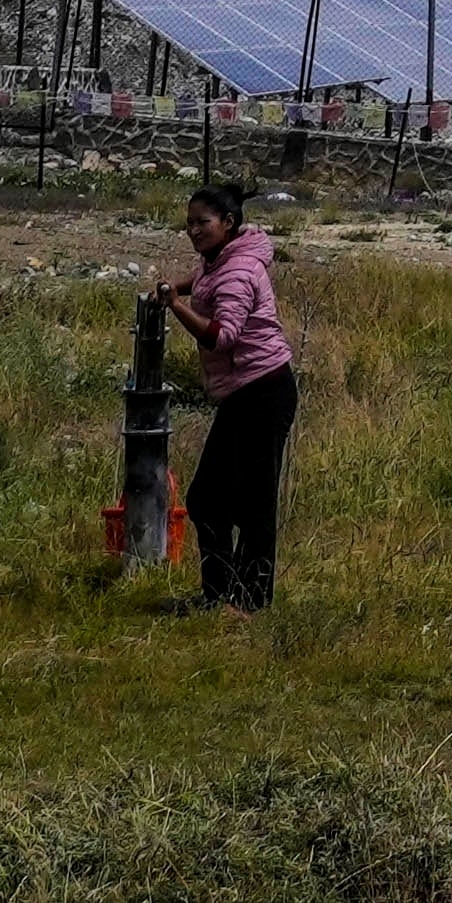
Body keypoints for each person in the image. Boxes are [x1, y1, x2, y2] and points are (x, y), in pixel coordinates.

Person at [165, 178, 299, 613]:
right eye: (189, 223)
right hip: (245, 391)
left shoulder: (239, 271)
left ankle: (249, 601)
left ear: (228, 222)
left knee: (250, 501)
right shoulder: (219, 259)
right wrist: (179, 288)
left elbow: (222, 337)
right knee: (211, 498)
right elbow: (202, 280)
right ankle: (220, 594)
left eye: (202, 223)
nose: (194, 231)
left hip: (262, 390)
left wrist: (176, 308)